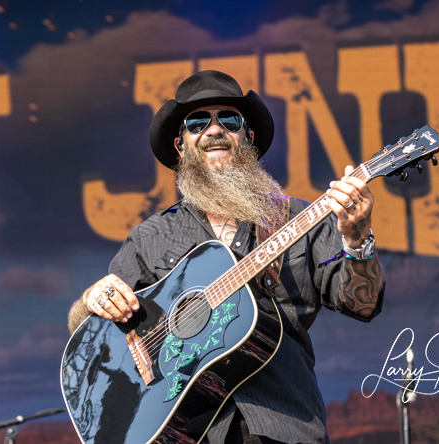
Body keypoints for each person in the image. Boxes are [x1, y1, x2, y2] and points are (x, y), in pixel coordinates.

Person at [67, 70, 385, 444]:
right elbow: (89, 333)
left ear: (248, 138)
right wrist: (92, 300)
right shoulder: (150, 237)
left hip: (285, 426)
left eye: (229, 120)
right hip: (183, 433)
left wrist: (358, 238)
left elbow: (363, 304)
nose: (214, 130)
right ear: (181, 146)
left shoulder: (300, 219)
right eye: (197, 122)